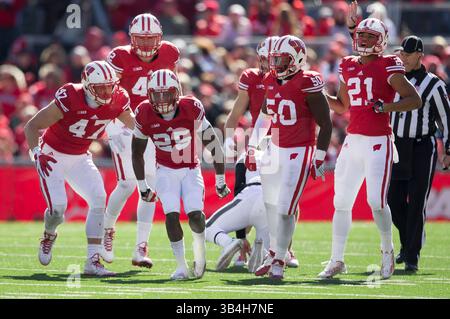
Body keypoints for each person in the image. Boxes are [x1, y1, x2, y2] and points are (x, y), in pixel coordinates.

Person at [320, 8, 422, 279]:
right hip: (353, 140)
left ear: (381, 39)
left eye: (369, 36)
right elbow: (342, 107)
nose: (363, 40)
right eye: (361, 35)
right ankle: (337, 259)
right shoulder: (348, 64)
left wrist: (386, 106)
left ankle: (387, 250)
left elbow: (414, 99)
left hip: (379, 141)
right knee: (341, 202)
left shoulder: (389, 64)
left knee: (376, 200)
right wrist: (320, 95)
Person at [24, 61, 134, 276]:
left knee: (98, 198)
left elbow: (137, 126)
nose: (106, 91)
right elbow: (32, 126)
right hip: (52, 155)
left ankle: (92, 261)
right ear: (87, 86)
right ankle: (49, 233)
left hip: (80, 157)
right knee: (57, 209)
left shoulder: (118, 99)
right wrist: (36, 154)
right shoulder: (70, 97)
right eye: (100, 87)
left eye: (109, 86)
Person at [245, 35, 333, 279]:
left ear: (298, 59)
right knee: (271, 206)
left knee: (285, 208)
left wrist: (319, 157)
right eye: (275, 59)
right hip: (274, 149)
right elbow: (265, 117)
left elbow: (325, 124)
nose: (277, 65)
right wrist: (253, 147)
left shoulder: (308, 81)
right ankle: (274, 252)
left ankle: (280, 258)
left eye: (283, 59)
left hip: (299, 150)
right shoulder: (271, 79)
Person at [132, 69, 230, 280]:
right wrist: (142, 187)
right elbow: (136, 152)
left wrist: (220, 180)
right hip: (165, 170)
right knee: (171, 215)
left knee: (195, 215)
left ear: (176, 92)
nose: (161, 99)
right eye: (156, 94)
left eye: (166, 93)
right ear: (149, 95)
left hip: (190, 168)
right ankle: (181, 266)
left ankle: (200, 254)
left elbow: (213, 143)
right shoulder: (143, 112)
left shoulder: (191, 107)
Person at [104, 13, 180, 268]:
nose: (146, 46)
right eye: (141, 40)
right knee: (127, 185)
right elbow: (108, 96)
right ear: (131, 38)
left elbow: (174, 87)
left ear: (160, 38)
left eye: (151, 40)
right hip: (123, 124)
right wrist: (109, 129)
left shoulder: (170, 54)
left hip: (152, 123)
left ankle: (140, 247)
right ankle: (107, 230)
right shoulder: (119, 57)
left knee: (151, 186)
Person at [224, 35, 299, 268]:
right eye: (267, 59)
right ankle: (242, 248)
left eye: (275, 58)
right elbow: (236, 111)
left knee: (288, 199)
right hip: (260, 140)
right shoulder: (252, 77)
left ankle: (286, 248)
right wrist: (228, 139)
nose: (271, 64)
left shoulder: (293, 80)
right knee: (243, 195)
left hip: (286, 141)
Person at [389, 35, 450, 272]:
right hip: (397, 147)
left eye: (406, 54)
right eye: (400, 53)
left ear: (418, 55)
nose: (402, 57)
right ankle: (408, 240)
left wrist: (448, 150)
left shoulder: (434, 84)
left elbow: (446, 119)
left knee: (416, 202)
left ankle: (412, 255)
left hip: (422, 146)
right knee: (392, 200)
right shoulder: (393, 79)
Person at [206, 149, 269, 273]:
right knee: (270, 253)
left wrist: (241, 236)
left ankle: (229, 243)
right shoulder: (278, 154)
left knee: (206, 227)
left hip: (252, 191)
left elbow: (239, 190)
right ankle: (274, 254)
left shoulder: (246, 155)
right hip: (271, 198)